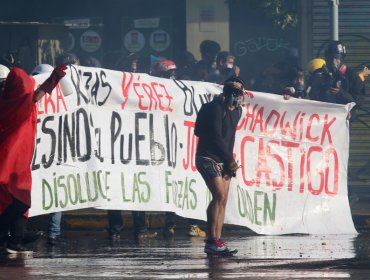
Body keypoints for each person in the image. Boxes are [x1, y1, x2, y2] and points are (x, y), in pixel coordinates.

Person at [0, 63, 67, 254]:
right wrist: (54, 78)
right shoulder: (18, 103)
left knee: (15, 202)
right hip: (12, 164)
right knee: (20, 202)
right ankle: (12, 237)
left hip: (13, 161)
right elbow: (37, 95)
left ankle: (15, 239)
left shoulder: (8, 101)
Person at [151, 58, 206, 238]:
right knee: (172, 185)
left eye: (172, 73)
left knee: (186, 183)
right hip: (163, 146)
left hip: (181, 144)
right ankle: (172, 223)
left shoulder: (179, 90)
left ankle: (188, 224)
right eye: (167, 73)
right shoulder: (152, 89)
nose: (171, 76)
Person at [106, 53, 157, 240]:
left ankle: (127, 228)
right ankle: (123, 228)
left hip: (136, 144)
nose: (133, 69)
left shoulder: (142, 87)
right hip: (117, 143)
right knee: (116, 187)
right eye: (130, 66)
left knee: (138, 186)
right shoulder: (113, 86)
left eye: (135, 66)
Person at [195, 77, 245, 255]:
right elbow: (213, 135)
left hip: (224, 160)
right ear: (224, 92)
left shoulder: (237, 112)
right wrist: (229, 159)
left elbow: (229, 138)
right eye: (231, 92)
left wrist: (228, 162)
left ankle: (217, 239)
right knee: (219, 195)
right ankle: (211, 240)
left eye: (238, 93)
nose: (234, 96)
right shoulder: (214, 108)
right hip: (207, 156)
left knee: (222, 199)